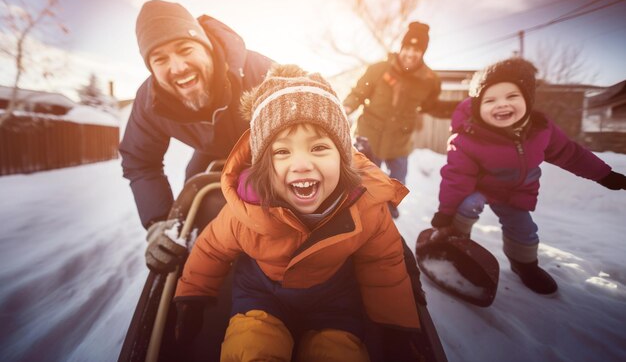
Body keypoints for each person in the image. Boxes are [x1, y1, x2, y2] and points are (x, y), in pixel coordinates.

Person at [173, 64, 423, 361]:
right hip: (260, 297)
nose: (302, 164)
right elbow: (212, 249)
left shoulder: (364, 208)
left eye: (318, 148)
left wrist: (395, 325)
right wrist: (193, 297)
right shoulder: (247, 209)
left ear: (344, 159)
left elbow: (383, 263)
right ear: (263, 166)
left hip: (334, 303)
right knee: (251, 347)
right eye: (282, 152)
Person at [427, 57, 626, 295]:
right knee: (468, 204)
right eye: (490, 100)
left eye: (512, 96)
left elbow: (570, 154)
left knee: (524, 229)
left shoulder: (541, 130)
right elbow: (456, 177)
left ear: (528, 100)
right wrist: (446, 212)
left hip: (515, 193)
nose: (501, 105)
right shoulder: (468, 137)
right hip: (479, 188)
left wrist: (604, 175)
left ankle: (524, 265)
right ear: (478, 104)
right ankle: (454, 241)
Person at [119, 0, 273, 274]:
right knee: (194, 190)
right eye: (160, 59)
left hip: (268, 149)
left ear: (206, 46)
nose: (177, 67)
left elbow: (311, 127)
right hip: (211, 151)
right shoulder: (150, 101)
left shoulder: (259, 72)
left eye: (185, 49)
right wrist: (158, 223)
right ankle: (204, 255)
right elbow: (140, 161)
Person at [343, 21, 458, 218]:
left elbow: (431, 106)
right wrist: (345, 108)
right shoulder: (379, 69)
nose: (412, 53)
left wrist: (460, 108)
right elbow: (359, 93)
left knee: (397, 182)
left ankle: (390, 210)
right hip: (369, 135)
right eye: (409, 47)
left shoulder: (429, 80)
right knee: (363, 181)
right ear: (402, 47)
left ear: (423, 52)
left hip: (400, 141)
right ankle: (359, 213)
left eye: (418, 49)